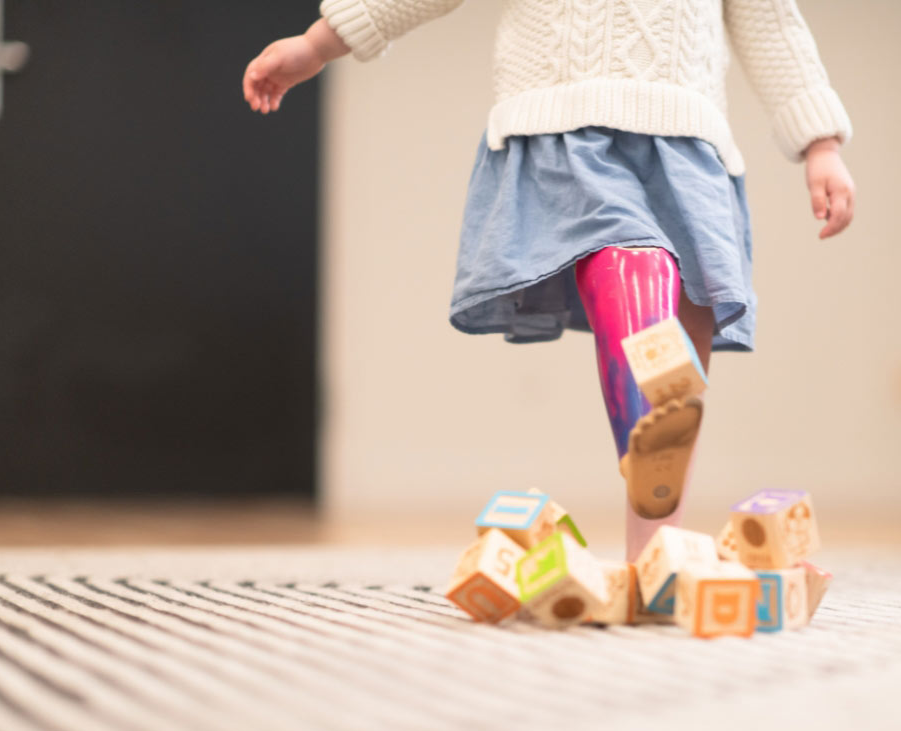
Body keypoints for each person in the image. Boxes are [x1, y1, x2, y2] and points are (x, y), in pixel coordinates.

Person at [244, 1, 856, 560]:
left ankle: (654, 553)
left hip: (690, 137)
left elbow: (770, 21)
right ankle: (648, 421)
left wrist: (820, 143)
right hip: (570, 118)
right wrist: (321, 42)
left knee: (685, 327)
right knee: (631, 257)